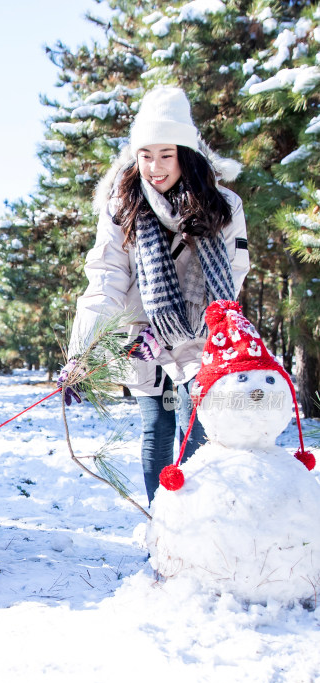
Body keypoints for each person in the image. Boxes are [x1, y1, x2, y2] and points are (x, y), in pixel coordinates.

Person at [64, 86, 250, 504]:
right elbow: (106, 278)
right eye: (145, 154)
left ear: (186, 151)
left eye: (166, 154)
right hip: (138, 341)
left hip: (200, 337)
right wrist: (84, 351)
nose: (155, 166)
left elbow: (232, 279)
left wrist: (173, 332)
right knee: (157, 430)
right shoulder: (122, 205)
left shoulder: (224, 207)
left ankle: (196, 532)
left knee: (195, 432)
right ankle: (162, 532)